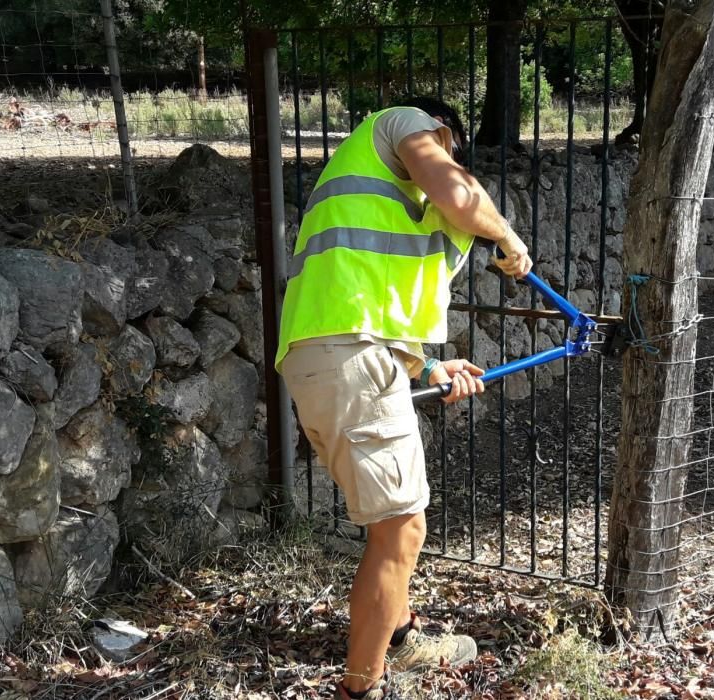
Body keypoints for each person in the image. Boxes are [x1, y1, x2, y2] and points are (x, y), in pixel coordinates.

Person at [276, 96, 533, 700]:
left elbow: (374, 303)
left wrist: (430, 366)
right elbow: (457, 194)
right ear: (445, 132)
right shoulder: (405, 123)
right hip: (347, 353)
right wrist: (507, 237)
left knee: (394, 524)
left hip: (342, 353)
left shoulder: (375, 193)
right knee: (401, 529)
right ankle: (360, 690)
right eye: (456, 151)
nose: (454, 162)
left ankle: (402, 637)